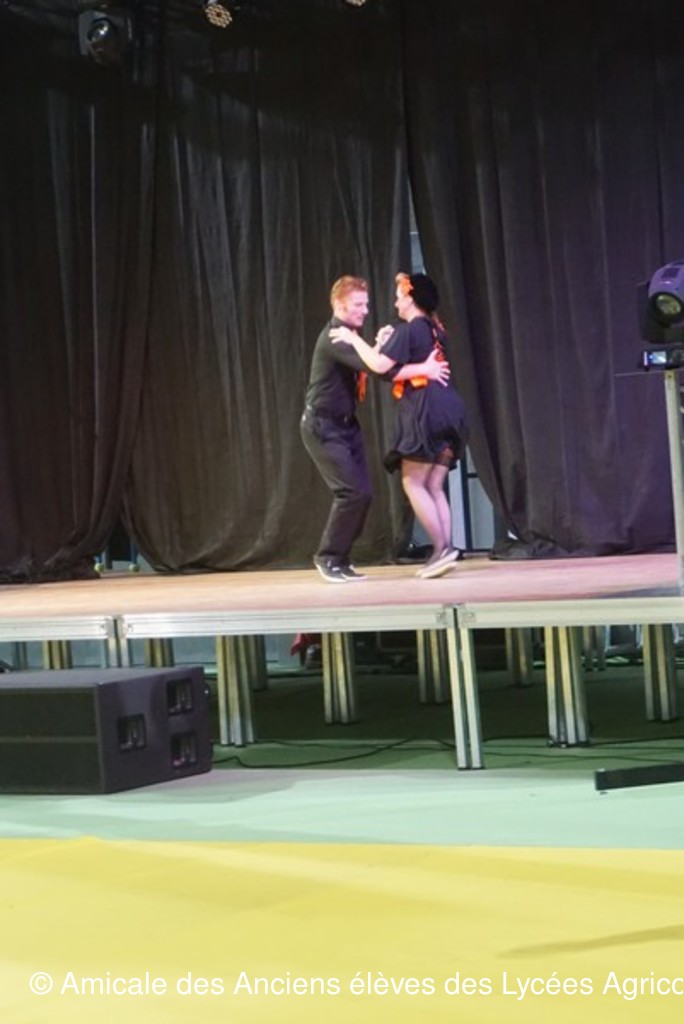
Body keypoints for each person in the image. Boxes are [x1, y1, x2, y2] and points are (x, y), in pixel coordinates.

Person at [301, 275, 449, 583]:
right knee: (351, 492)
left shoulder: (349, 336)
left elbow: (367, 364)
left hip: (345, 425)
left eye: (366, 304)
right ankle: (328, 557)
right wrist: (424, 369)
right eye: (358, 304)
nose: (365, 310)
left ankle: (340, 558)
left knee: (363, 494)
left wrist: (378, 345)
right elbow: (379, 369)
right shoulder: (336, 336)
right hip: (323, 425)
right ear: (339, 304)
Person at [330, 272, 468, 579]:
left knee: (413, 482)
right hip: (450, 408)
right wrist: (384, 344)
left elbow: (380, 367)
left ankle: (441, 549)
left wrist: (353, 338)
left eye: (399, 296)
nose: (395, 302)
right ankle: (446, 549)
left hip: (426, 409)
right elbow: (395, 367)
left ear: (411, 298)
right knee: (434, 485)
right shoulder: (434, 329)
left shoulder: (412, 328)